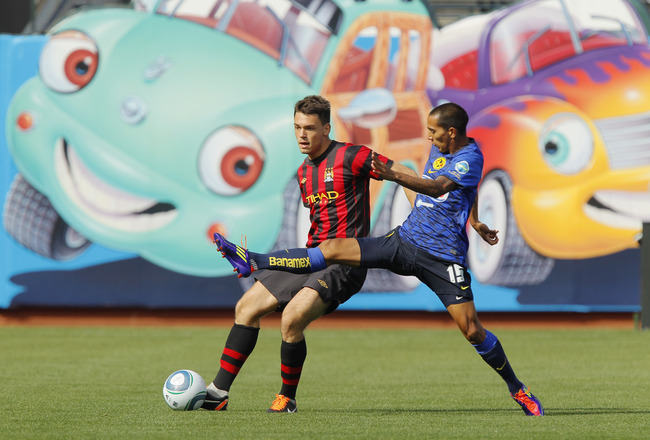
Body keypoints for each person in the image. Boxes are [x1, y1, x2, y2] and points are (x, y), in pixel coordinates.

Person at [214, 102, 545, 416]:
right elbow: (466, 190)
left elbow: (440, 187)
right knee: (331, 248)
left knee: (472, 330)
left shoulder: (470, 157)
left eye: (434, 132)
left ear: (452, 132)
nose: (429, 137)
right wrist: (473, 220)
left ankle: (518, 390)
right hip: (404, 241)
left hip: (443, 258)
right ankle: (253, 260)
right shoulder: (441, 148)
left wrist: (396, 175)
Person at [202, 95, 395, 413]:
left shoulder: (352, 156)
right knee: (246, 307)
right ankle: (218, 393)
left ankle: (286, 398)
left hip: (344, 263)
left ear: (326, 128)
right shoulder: (304, 173)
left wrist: (421, 202)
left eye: (309, 128)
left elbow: (398, 171)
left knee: (291, 320)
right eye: (297, 127)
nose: (302, 134)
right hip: (311, 257)